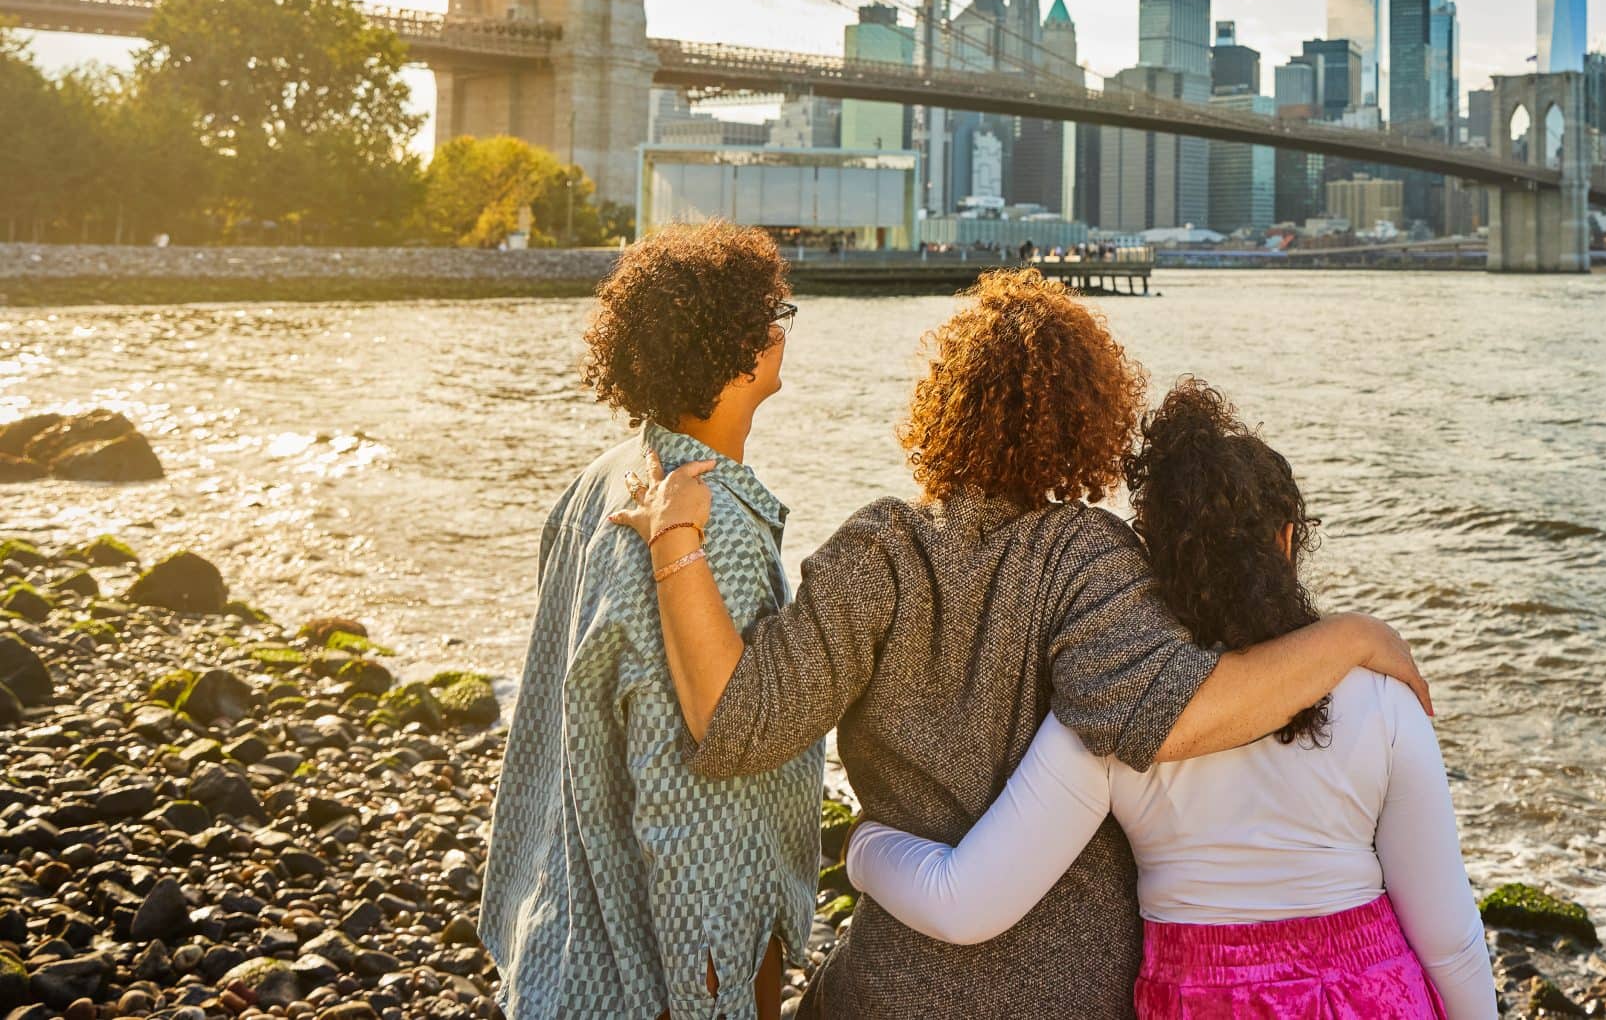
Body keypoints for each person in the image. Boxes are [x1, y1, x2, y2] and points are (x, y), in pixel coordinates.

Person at [612, 269, 1432, 1020]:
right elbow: (1177, 718)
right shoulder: (1090, 557)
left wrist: (676, 541)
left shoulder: (879, 549)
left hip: (894, 989)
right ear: (1090, 417)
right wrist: (1353, 636)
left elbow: (731, 721)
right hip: (1074, 995)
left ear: (945, 403)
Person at [841, 379, 1496, 1019]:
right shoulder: (1380, 693)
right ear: (1287, 539)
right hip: (1374, 997)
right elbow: (1452, 943)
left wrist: (863, 849)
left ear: (1155, 558)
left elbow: (966, 904)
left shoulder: (1116, 720)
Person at [484, 222, 821, 1020]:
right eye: (771, 315)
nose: (782, 331)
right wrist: (709, 980)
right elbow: (685, 784)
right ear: (734, 351)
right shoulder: (713, 525)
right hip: (667, 965)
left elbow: (548, 714)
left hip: (567, 931)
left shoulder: (598, 482)